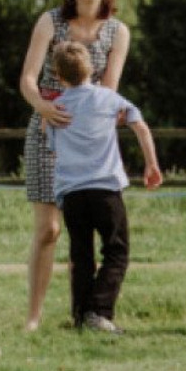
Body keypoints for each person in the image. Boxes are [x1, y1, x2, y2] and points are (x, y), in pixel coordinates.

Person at [18, 0, 130, 331]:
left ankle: (87, 313)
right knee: (49, 229)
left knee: (86, 231)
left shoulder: (118, 32)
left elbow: (110, 90)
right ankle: (33, 317)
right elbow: (28, 79)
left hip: (89, 138)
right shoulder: (50, 23)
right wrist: (44, 109)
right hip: (49, 128)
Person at [48, 41, 162, 333]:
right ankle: (99, 312)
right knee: (116, 251)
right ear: (93, 69)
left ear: (58, 75)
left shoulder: (55, 110)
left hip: (72, 193)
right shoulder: (110, 99)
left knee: (81, 255)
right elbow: (140, 126)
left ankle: (81, 316)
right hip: (105, 189)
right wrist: (151, 164)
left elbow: (53, 149)